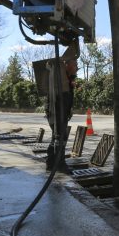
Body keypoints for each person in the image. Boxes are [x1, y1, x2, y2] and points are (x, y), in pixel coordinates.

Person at [43, 44, 79, 172]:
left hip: (61, 111)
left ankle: (51, 162)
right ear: (66, 66)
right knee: (60, 137)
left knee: (56, 137)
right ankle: (60, 164)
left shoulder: (67, 80)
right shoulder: (60, 78)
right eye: (74, 65)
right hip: (57, 110)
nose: (77, 68)